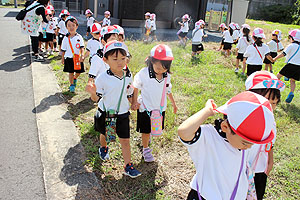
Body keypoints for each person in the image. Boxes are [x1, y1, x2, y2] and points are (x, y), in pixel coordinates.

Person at [178, 91, 276, 200]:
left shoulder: (241, 141)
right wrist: (207, 111)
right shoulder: (209, 137)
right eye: (245, 143)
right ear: (225, 127)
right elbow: (184, 132)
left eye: (252, 144)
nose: (248, 147)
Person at [86, 40, 142, 178]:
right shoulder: (102, 78)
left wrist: (134, 102)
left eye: (123, 58)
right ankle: (104, 147)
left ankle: (128, 166)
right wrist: (93, 93)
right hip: (108, 114)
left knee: (125, 140)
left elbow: (130, 92)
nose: (120, 62)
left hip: (123, 113)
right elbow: (96, 99)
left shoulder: (128, 75)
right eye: (115, 59)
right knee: (107, 135)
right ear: (106, 60)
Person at [131, 44, 177, 162]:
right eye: (158, 68)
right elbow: (135, 87)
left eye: (165, 68)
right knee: (145, 131)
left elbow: (168, 90)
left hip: (159, 109)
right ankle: (146, 149)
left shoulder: (166, 76)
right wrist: (134, 102)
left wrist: (174, 104)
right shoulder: (143, 74)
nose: (162, 71)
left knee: (153, 129)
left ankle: (147, 139)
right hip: (145, 108)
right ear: (152, 62)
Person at [245, 71, 285, 200]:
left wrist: (270, 159)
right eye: (266, 102)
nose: (270, 107)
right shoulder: (242, 120)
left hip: (259, 171)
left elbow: (270, 142)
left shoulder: (270, 119)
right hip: (240, 171)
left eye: (274, 103)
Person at [274, 29, 300, 103]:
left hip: (290, 65)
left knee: (278, 76)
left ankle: (275, 90)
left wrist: (275, 58)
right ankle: (291, 92)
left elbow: (283, 54)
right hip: (299, 67)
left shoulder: (291, 45)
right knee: (293, 81)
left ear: (292, 38)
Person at [61, 16, 85, 93]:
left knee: (79, 71)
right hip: (69, 58)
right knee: (70, 72)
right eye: (69, 26)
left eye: (73, 25)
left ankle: (75, 78)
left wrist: (82, 55)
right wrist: (62, 58)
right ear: (66, 27)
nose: (71, 27)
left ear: (76, 26)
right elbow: (63, 50)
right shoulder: (65, 38)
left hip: (77, 58)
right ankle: (71, 85)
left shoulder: (79, 37)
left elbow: (82, 47)